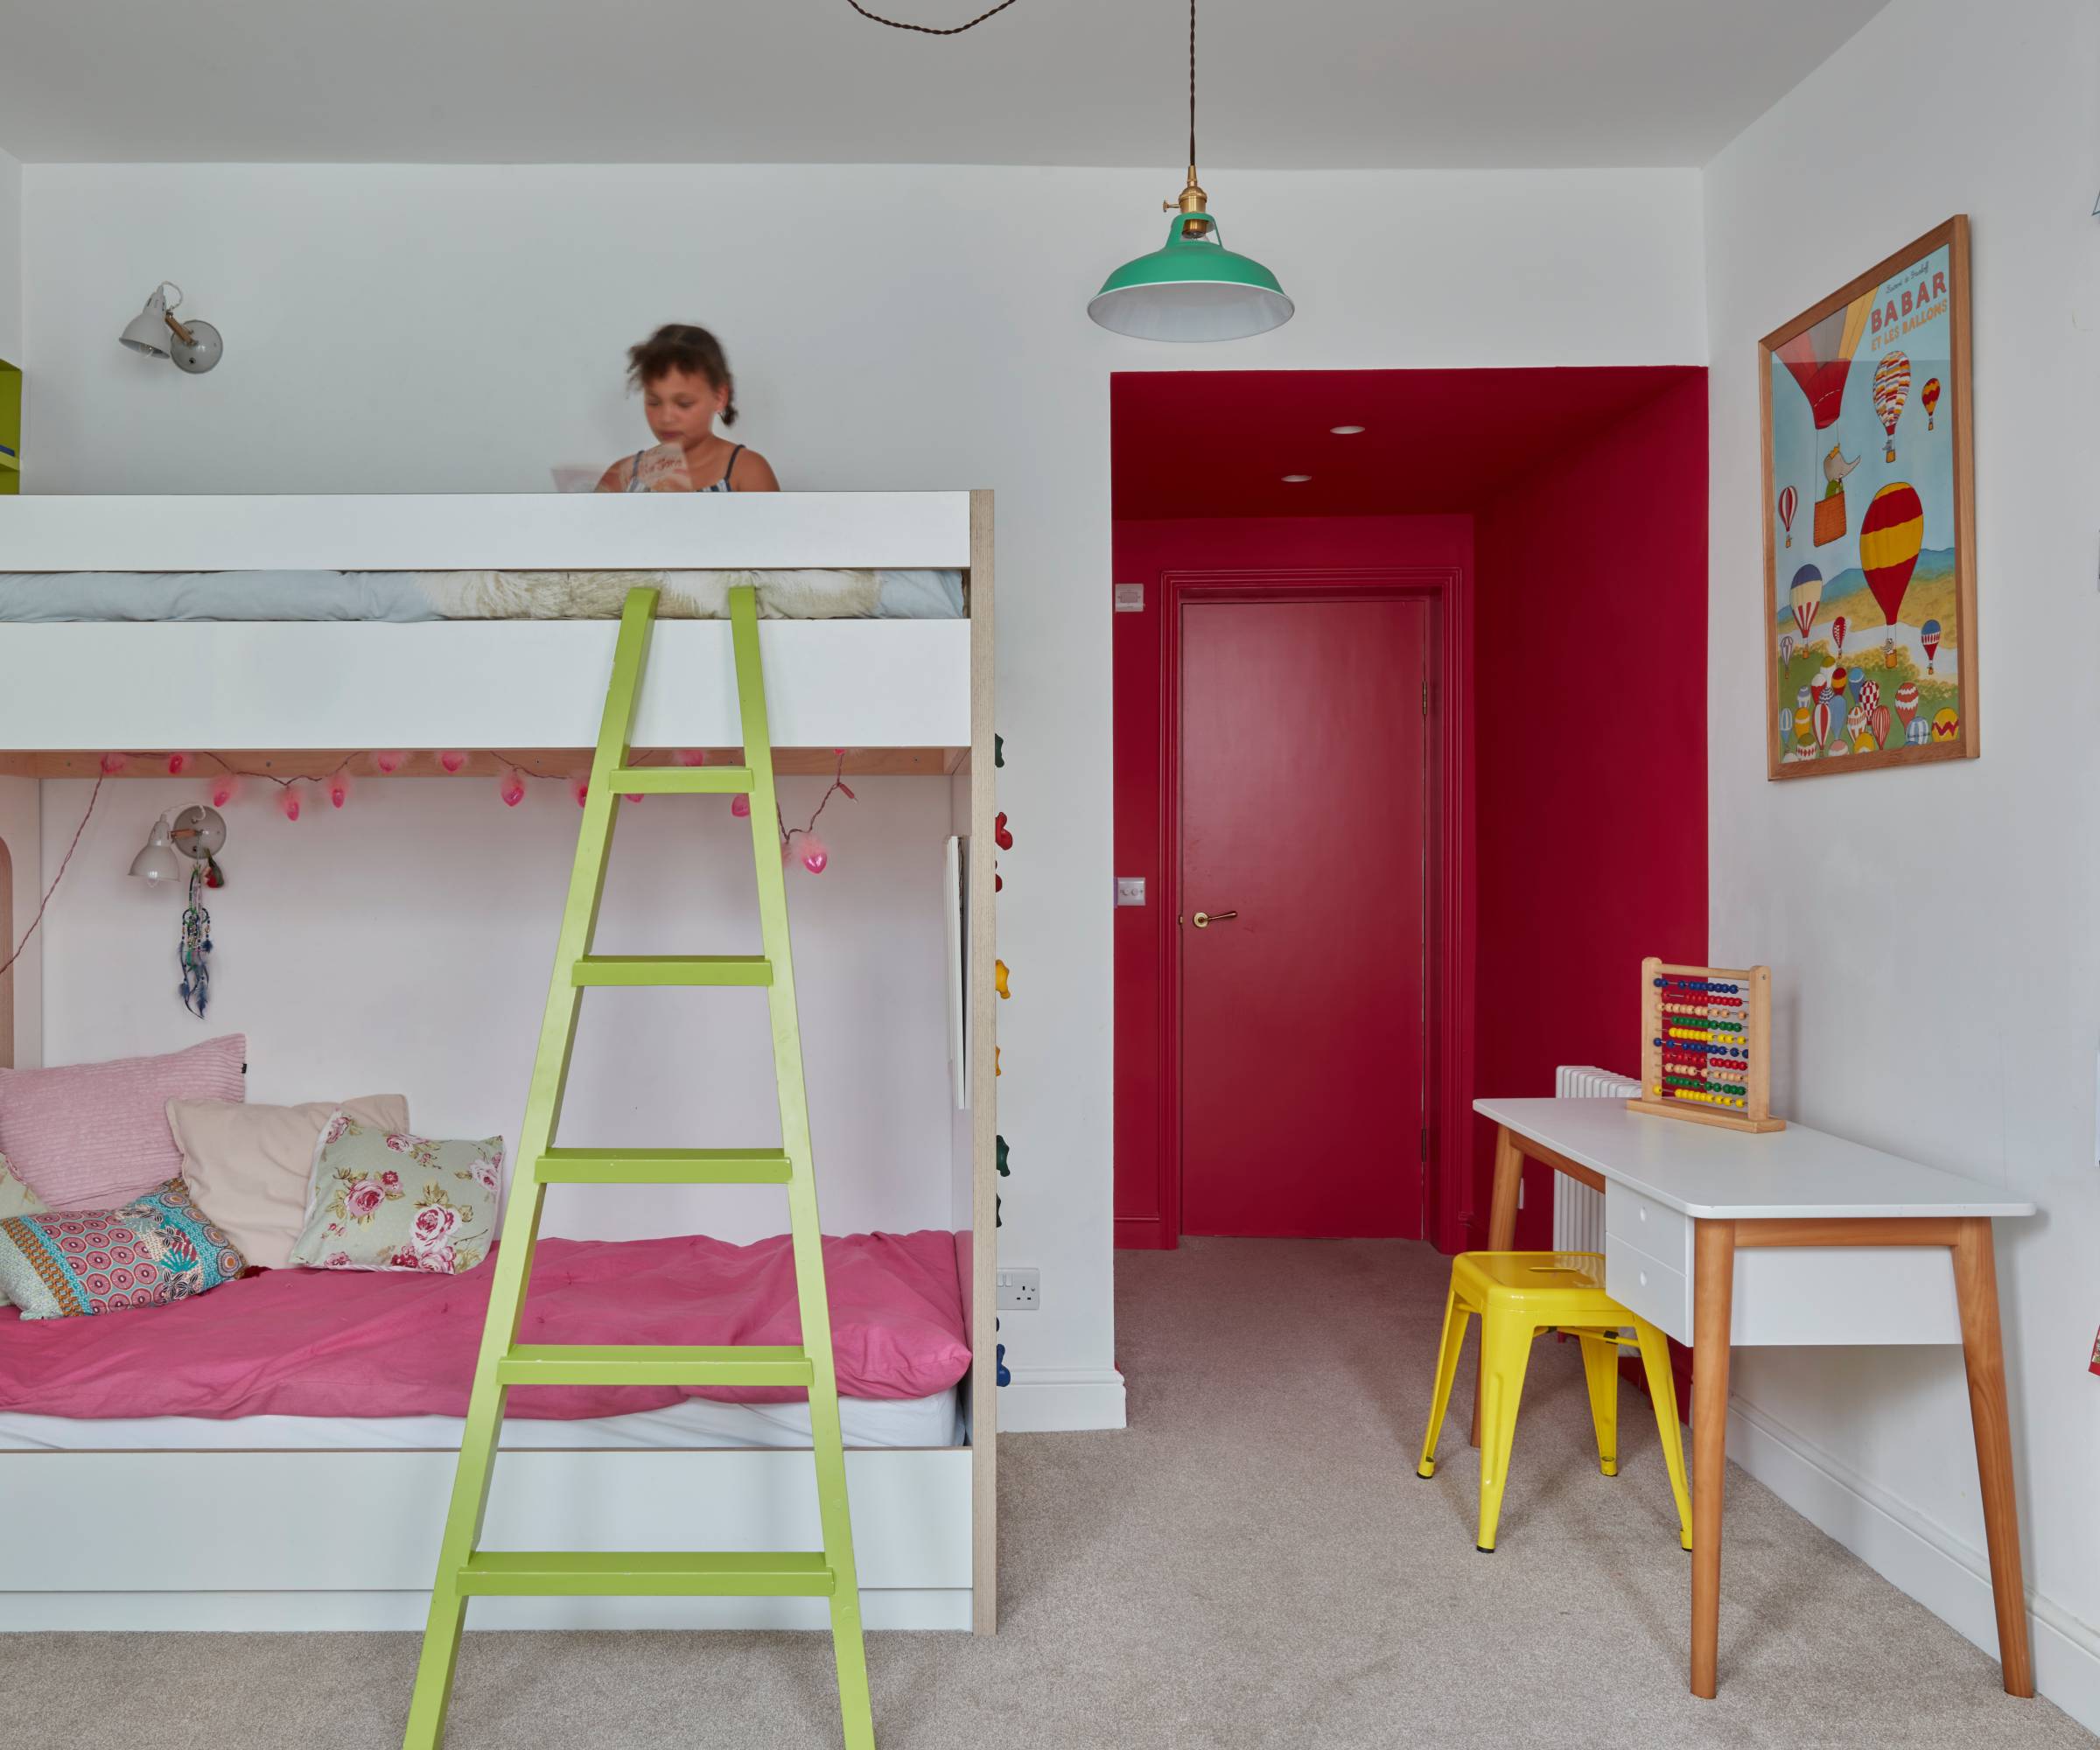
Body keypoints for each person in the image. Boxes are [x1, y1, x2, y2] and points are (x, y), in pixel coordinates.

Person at [596, 325, 780, 494]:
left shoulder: (747, 472)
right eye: (654, 402)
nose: (666, 418)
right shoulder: (623, 477)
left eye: (684, 404)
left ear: (719, 397)